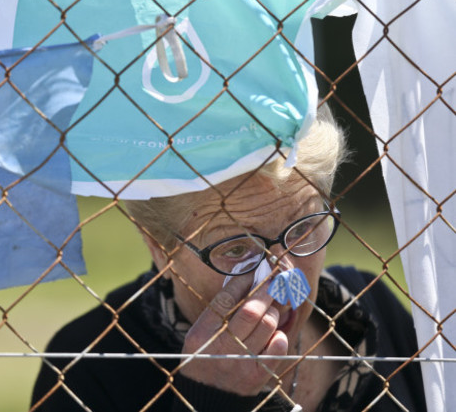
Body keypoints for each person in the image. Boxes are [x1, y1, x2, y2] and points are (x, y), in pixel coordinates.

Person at [30, 106, 426, 411]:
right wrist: (209, 395)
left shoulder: (370, 307)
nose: (280, 271)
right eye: (237, 248)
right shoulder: (89, 364)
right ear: (160, 247)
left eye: (303, 227)